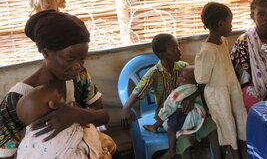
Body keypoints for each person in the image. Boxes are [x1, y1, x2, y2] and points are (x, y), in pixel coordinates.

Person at [0, 10, 112, 158]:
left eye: (82, 59)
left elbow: (103, 116)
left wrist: (75, 115)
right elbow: (5, 154)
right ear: (45, 52)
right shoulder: (16, 100)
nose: (77, 66)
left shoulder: (79, 76)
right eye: (70, 59)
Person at [120, 33, 218, 158]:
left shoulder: (183, 67)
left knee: (212, 128)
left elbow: (199, 82)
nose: (179, 50)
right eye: (174, 48)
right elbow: (138, 91)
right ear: (162, 54)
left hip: (190, 110)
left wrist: (192, 98)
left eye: (178, 46)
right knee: (184, 140)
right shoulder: (154, 73)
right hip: (167, 115)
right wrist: (126, 107)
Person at [194, 2, 247, 159]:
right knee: (226, 124)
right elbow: (201, 78)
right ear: (220, 24)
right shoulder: (207, 50)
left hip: (232, 89)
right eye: (230, 22)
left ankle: (241, 151)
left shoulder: (223, 42)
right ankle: (234, 153)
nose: (232, 26)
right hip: (218, 95)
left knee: (238, 119)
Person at [16, 85, 116, 158]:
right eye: (59, 95)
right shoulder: (67, 125)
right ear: (53, 105)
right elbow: (87, 133)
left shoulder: (28, 134)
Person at [144, 66, 220, 159]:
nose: (180, 79)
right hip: (200, 117)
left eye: (183, 78)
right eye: (180, 76)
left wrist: (160, 117)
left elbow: (169, 105)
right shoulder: (195, 88)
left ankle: (170, 149)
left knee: (170, 128)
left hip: (187, 118)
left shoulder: (181, 90)